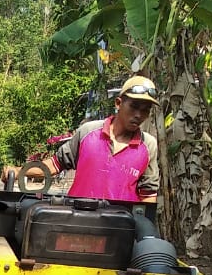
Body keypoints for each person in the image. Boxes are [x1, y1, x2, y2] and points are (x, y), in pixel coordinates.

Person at [38, 75, 161, 203]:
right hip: (77, 218)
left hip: (120, 221)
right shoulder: (88, 132)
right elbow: (55, 164)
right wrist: (18, 172)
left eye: (145, 110)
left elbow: (148, 194)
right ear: (118, 103)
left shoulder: (148, 145)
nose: (138, 115)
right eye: (134, 107)